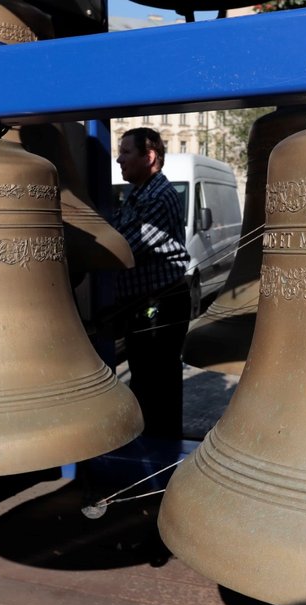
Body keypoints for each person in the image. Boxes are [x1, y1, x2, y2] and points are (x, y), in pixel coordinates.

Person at [112, 127, 190, 439]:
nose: (119, 159)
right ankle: (152, 449)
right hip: (145, 305)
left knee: (155, 384)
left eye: (126, 152)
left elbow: (123, 246)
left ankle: (160, 455)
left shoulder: (159, 196)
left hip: (161, 306)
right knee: (146, 380)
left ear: (150, 156)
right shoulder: (138, 195)